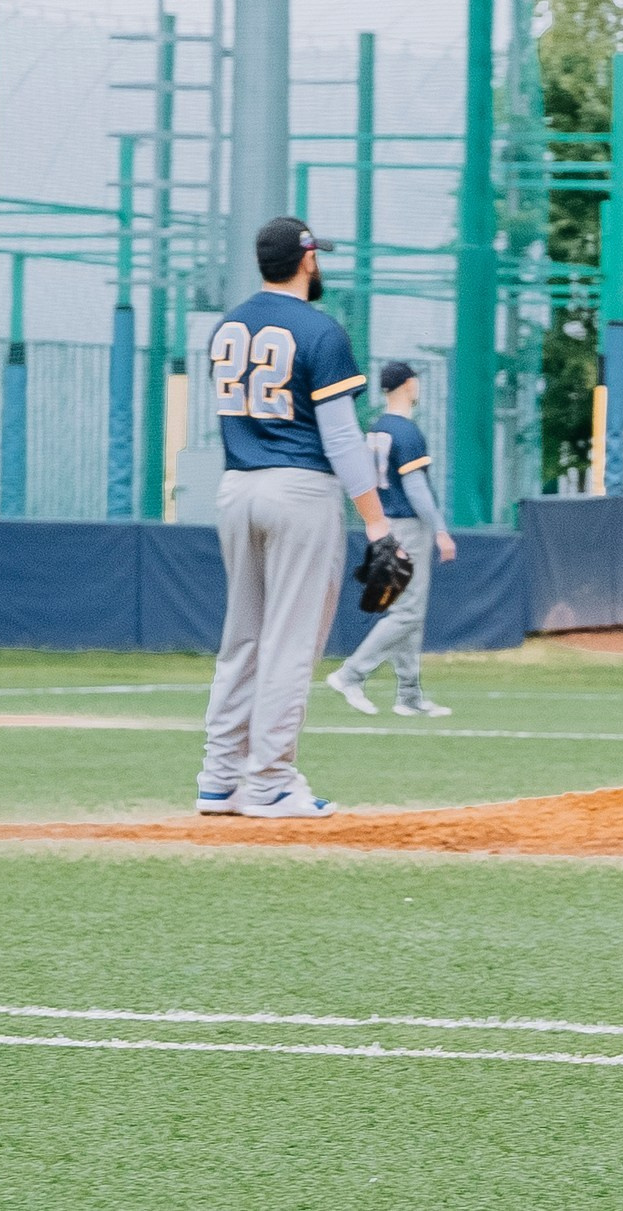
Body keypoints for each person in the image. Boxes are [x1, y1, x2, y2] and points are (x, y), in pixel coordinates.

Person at [195, 216, 403, 819]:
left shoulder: (227, 326)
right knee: (289, 644)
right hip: (300, 491)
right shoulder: (320, 330)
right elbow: (341, 438)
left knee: (243, 640)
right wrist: (377, 522)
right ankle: (268, 783)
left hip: (237, 486)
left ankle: (219, 777)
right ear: (307, 259)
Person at [326, 360, 458, 718]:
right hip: (407, 526)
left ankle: (409, 694)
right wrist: (441, 530)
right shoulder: (406, 432)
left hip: (384, 523)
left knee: (406, 612)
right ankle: (351, 673)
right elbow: (416, 488)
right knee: (408, 612)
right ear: (407, 385)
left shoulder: (377, 428)